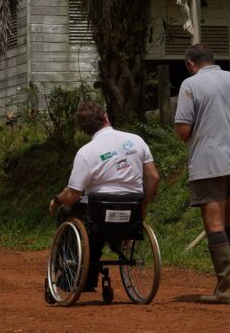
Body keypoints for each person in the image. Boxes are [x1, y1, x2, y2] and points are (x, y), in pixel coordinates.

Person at [174, 43, 230, 304]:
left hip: (209, 162)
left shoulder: (190, 85)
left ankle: (225, 288)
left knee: (214, 224)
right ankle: (227, 284)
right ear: (213, 59)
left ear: (191, 64)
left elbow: (183, 130)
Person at [49, 101, 160, 292]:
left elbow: (73, 194)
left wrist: (56, 200)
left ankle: (69, 269)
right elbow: (153, 177)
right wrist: (143, 206)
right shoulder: (136, 141)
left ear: (84, 130)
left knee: (66, 212)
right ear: (106, 117)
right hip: (132, 209)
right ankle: (88, 274)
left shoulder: (86, 152)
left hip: (99, 213)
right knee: (93, 216)